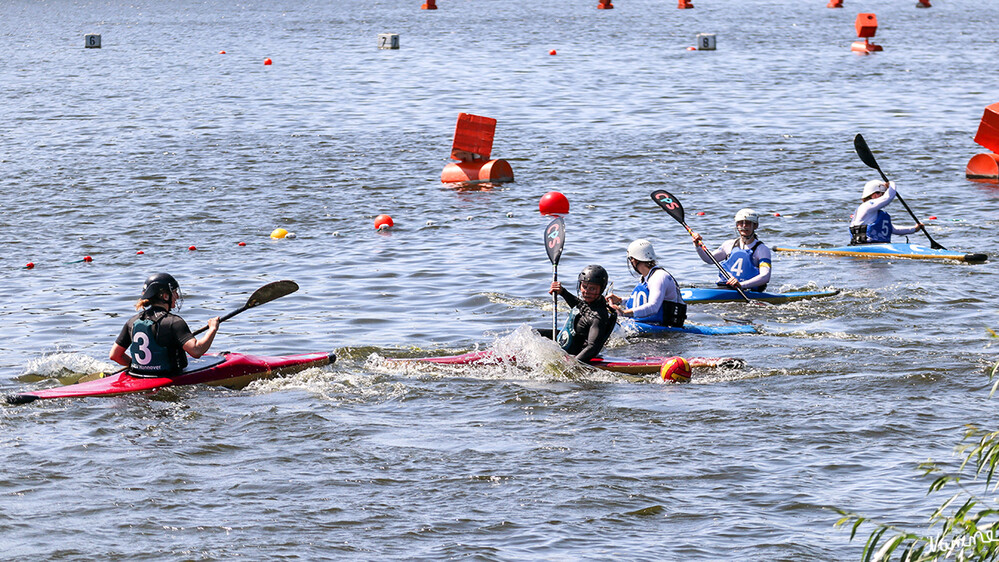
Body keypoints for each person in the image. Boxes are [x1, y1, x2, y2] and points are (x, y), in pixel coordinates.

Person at [109, 273, 220, 377]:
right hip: (169, 377)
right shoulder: (174, 322)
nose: (176, 296)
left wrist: (138, 366)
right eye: (174, 292)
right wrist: (213, 328)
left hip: (138, 375)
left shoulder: (132, 321)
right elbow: (196, 351)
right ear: (165, 296)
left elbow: (115, 355)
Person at [543, 265, 617, 363]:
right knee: (533, 332)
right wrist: (562, 291)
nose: (586, 292)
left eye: (592, 289)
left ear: (601, 289)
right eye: (584, 287)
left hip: (577, 354)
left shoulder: (598, 317)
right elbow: (579, 306)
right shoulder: (590, 303)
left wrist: (572, 365)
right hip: (568, 341)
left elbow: (592, 347)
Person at [607, 239, 686, 327]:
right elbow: (642, 301)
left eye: (630, 259)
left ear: (634, 260)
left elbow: (653, 307)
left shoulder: (659, 276)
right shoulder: (645, 277)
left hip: (665, 327)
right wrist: (620, 301)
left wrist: (624, 313)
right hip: (650, 325)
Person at [691, 208, 772, 291]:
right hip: (726, 288)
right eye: (740, 223)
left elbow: (765, 276)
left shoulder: (762, 250)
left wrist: (741, 285)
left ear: (755, 226)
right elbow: (709, 259)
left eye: (747, 223)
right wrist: (697, 246)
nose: (744, 226)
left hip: (748, 290)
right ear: (737, 225)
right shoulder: (729, 244)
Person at [849, 180, 924, 245]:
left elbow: (893, 229)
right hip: (863, 245)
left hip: (876, 245)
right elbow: (888, 197)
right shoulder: (867, 206)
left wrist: (914, 229)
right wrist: (891, 184)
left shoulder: (873, 213)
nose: (882, 197)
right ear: (874, 195)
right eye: (882, 194)